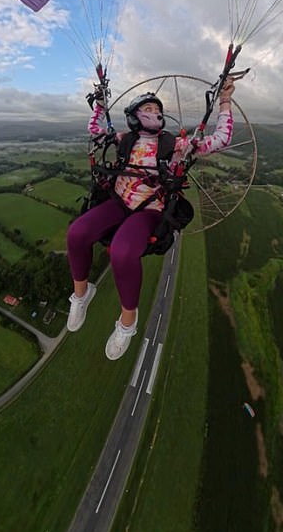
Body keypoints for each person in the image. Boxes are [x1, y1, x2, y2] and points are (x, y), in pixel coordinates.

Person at [66, 77, 236, 360]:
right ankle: (82, 294)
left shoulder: (176, 144)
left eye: (157, 109)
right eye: (147, 107)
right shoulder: (125, 139)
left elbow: (220, 139)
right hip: (119, 202)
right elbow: (95, 130)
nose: (154, 112)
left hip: (149, 210)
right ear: (134, 116)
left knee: (122, 252)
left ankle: (127, 323)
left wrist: (225, 101)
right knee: (77, 233)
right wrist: (99, 104)